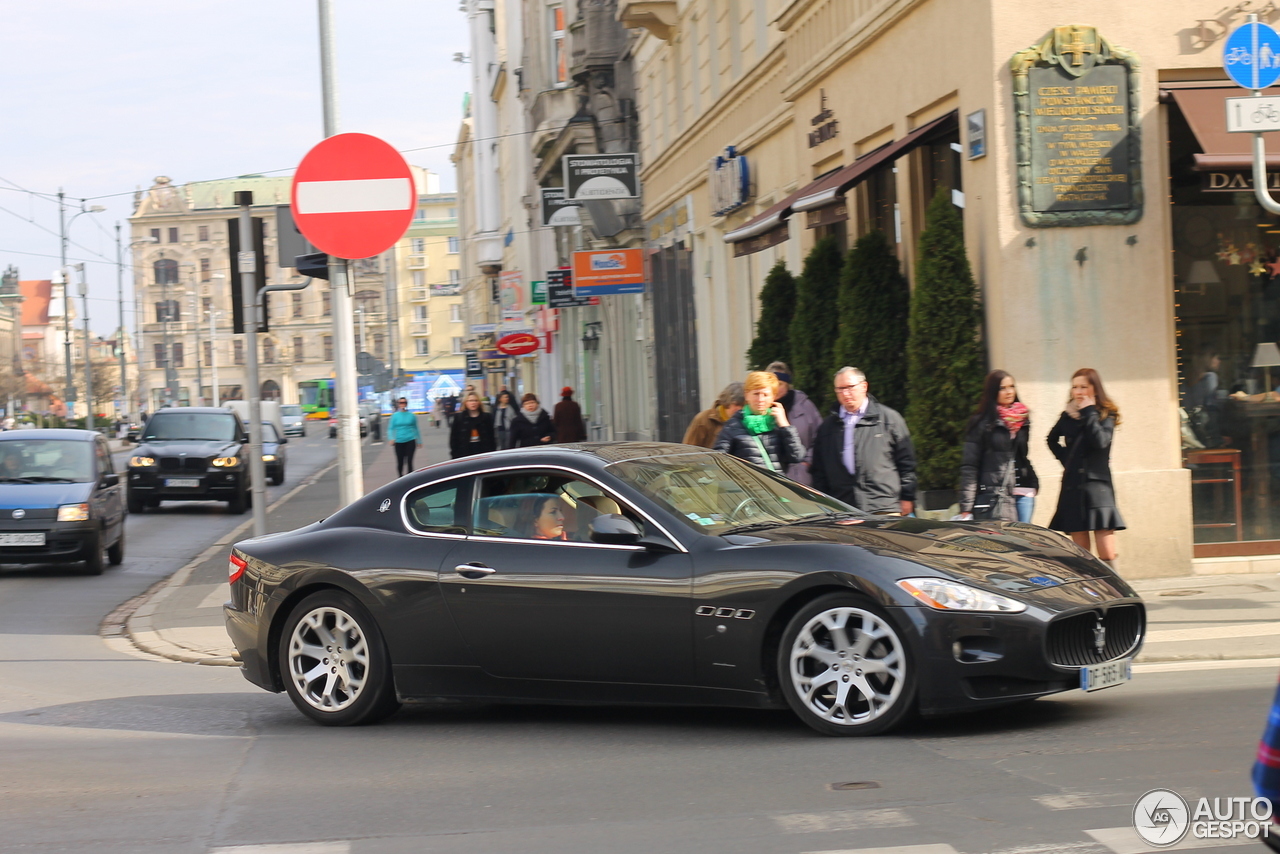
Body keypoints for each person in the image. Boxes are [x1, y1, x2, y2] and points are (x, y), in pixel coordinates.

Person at [810, 366, 917, 515]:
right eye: (840, 389)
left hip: (883, 506)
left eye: (850, 387)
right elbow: (819, 471)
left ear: (864, 386)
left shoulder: (888, 419)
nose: (845, 393)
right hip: (844, 509)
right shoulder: (827, 428)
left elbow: (906, 463)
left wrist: (907, 496)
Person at [1047, 367, 1125, 567]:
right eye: (1075, 387)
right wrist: (1068, 460)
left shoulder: (1106, 414)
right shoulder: (1067, 415)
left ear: (1095, 389)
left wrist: (1089, 411)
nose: (1078, 392)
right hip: (1073, 486)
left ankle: (1115, 589)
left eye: (1083, 387)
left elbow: (1100, 441)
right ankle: (1091, 592)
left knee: (1107, 551)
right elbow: (1051, 439)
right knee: (1081, 555)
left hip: (1097, 487)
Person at [956, 370, 1039, 523]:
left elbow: (1021, 455)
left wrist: (1033, 481)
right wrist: (966, 506)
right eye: (1003, 388)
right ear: (993, 391)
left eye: (1011, 386)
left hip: (1024, 490)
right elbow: (970, 466)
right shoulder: (981, 423)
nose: (1009, 392)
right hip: (997, 495)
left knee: (1026, 541)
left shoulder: (1022, 419)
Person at [713, 371, 805, 472]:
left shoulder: (778, 423)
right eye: (756, 394)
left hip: (776, 486)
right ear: (747, 395)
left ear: (773, 397)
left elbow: (797, 456)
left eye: (765, 395)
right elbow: (719, 461)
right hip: (748, 486)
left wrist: (785, 425)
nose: (760, 399)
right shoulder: (733, 425)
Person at [766, 360, 823, 485]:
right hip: (771, 479)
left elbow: (820, 437)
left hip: (802, 479)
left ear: (787, 385)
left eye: (779, 384)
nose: (775, 389)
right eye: (771, 384)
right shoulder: (760, 409)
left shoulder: (804, 406)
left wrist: (807, 463)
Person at [683, 382, 745, 448]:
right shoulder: (703, 420)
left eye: (744, 405)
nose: (740, 409)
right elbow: (689, 449)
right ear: (727, 402)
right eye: (737, 404)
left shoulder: (748, 421)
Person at [449, 392, 495, 458]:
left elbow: (492, 437)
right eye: (470, 400)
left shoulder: (486, 417)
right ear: (466, 403)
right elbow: (453, 438)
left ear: (479, 402)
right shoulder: (459, 417)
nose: (473, 403)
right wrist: (455, 455)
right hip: (464, 453)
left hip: (483, 452)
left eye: (475, 400)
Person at [388, 397, 421, 477]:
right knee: (400, 462)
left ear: (407, 404)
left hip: (410, 440)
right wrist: (391, 438)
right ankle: (400, 477)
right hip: (399, 441)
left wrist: (419, 441)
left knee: (410, 461)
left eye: (404, 402)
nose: (403, 404)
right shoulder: (395, 416)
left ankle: (410, 478)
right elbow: (390, 428)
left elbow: (416, 428)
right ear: (398, 404)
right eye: (401, 403)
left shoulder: (412, 416)